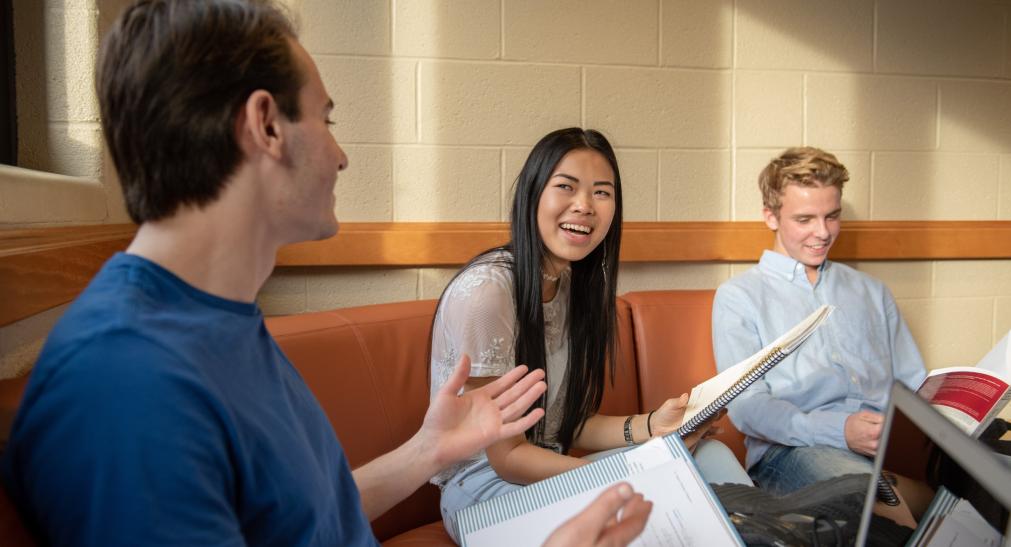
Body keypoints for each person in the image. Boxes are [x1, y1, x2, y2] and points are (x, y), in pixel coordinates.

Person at [0, 1, 651, 545]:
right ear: (265, 126)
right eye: (326, 118)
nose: (340, 156)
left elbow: (299, 516)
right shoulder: (126, 381)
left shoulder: (217, 320)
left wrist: (427, 451)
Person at [430, 127, 752, 540]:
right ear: (533, 194)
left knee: (708, 452)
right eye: (566, 186)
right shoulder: (487, 293)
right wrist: (633, 474)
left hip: (549, 472)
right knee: (668, 484)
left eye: (602, 192)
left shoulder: (572, 287)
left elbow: (570, 424)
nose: (584, 206)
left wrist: (656, 427)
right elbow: (508, 457)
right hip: (487, 493)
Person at [711, 146, 927, 496]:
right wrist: (839, 430)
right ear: (771, 217)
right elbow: (748, 407)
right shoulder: (740, 297)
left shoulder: (872, 292)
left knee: (1001, 476)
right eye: (805, 219)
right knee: (869, 497)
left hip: (888, 447)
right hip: (794, 450)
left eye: (832, 216)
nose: (823, 233)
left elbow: (914, 384)